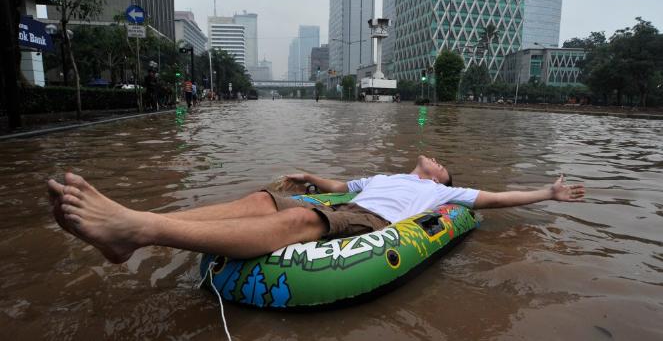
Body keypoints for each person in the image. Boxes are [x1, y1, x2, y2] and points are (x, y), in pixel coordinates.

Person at [46, 155, 584, 264]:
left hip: (370, 223)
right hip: (352, 202)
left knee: (301, 221)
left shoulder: (444, 195)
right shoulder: (387, 174)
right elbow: (340, 184)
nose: (435, 159)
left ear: (443, 179)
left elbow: (499, 198)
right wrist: (309, 177)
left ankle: (138, 231)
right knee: (263, 199)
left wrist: (547, 193)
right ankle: (136, 223)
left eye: (442, 162)